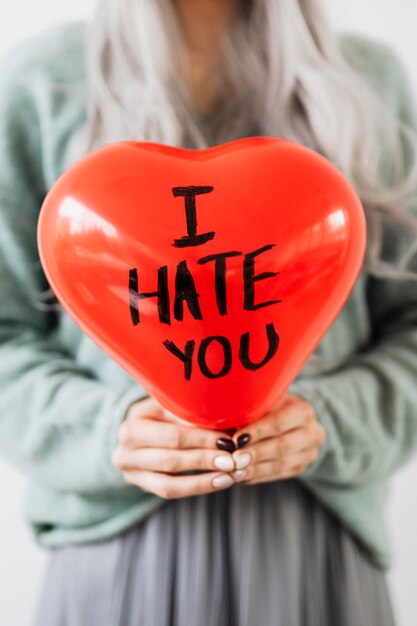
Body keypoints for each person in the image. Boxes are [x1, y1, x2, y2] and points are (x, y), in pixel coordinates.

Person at [0, 1, 417, 624]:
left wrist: (328, 422)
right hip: (113, 550)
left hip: (316, 545)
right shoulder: (42, 80)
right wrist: (110, 431)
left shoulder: (370, 80)